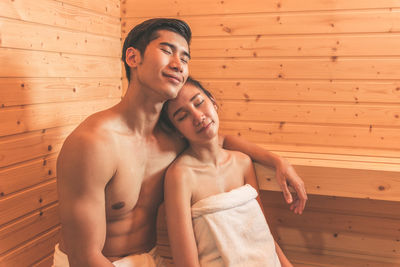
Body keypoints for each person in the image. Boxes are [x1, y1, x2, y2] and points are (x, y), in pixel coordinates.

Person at [54, 18, 306, 267]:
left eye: (185, 58)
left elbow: (221, 140)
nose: (178, 64)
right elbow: (84, 258)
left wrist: (278, 162)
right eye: (167, 51)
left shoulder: (173, 138)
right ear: (133, 58)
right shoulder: (93, 143)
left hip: (149, 260)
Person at [162, 77, 293, 267]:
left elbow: (263, 236)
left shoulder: (242, 163)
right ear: (178, 131)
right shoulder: (180, 176)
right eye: (182, 117)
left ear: (213, 102)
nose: (198, 117)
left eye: (199, 103)